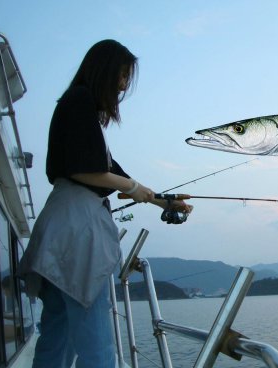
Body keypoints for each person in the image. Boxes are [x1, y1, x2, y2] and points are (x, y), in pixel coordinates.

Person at [18, 39, 192, 368]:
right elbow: (88, 170)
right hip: (78, 233)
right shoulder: (80, 100)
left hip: (60, 227)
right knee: (96, 345)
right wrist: (133, 186)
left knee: (56, 336)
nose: (125, 84)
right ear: (105, 70)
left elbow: (112, 172)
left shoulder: (78, 108)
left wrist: (164, 201)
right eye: (123, 74)